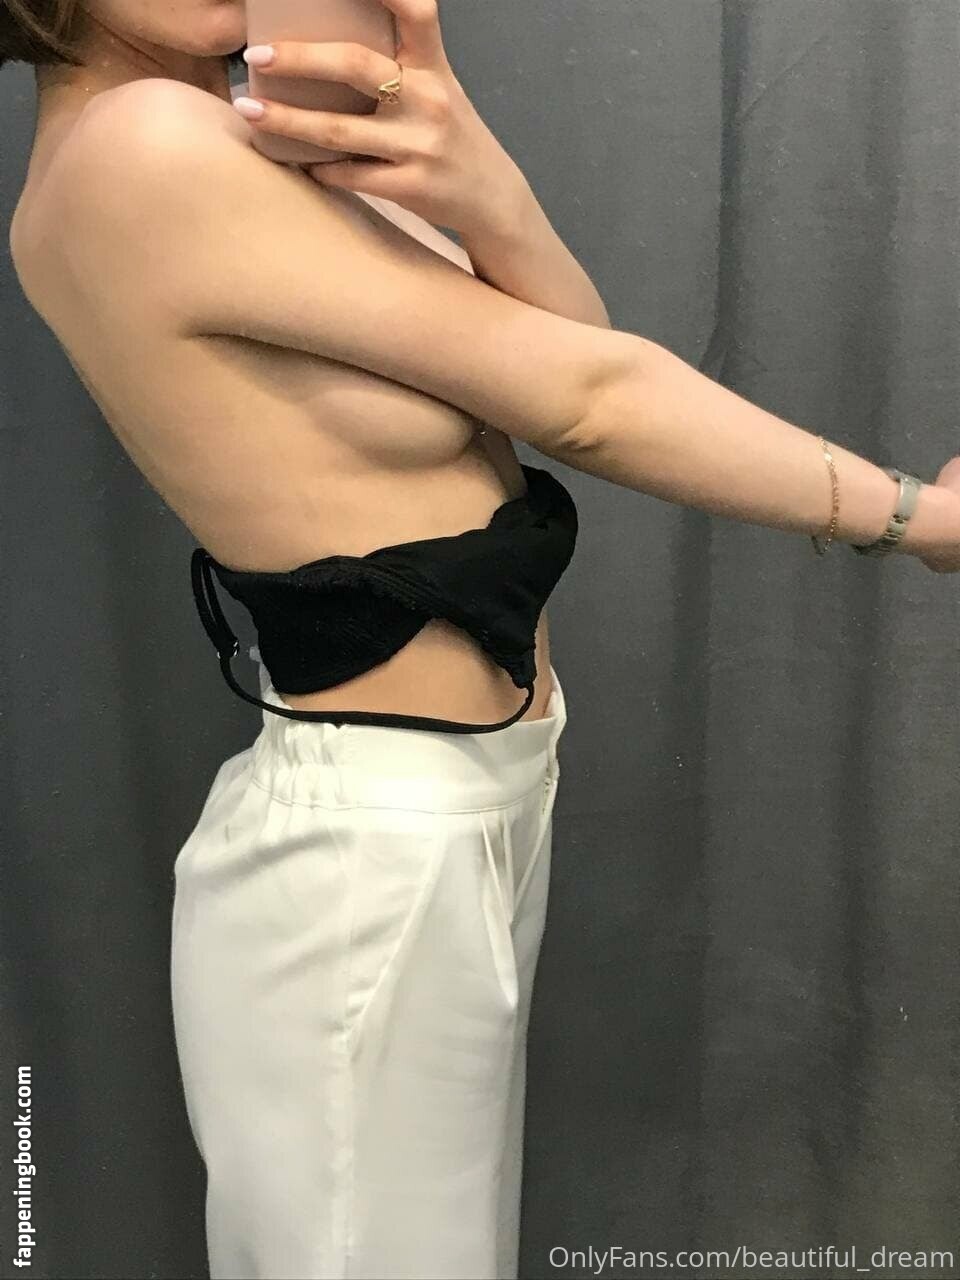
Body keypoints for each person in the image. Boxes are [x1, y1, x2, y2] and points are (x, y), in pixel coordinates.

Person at [3, 1, 958, 1278]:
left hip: (450, 816)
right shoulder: (139, 149)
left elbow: (572, 350)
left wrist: (486, 186)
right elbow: (590, 401)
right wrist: (918, 517)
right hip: (367, 858)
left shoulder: (209, 133)